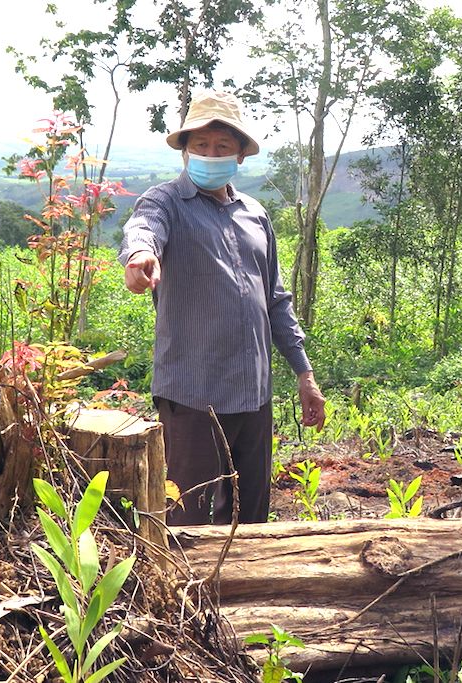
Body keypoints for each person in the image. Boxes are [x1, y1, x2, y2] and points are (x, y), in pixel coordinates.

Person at [118, 91, 326, 526]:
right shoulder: (166, 202)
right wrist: (140, 257)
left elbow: (276, 300)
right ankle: (187, 595)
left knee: (249, 514)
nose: (210, 155)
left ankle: (243, 593)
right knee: (187, 516)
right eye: (201, 146)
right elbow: (143, 228)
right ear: (186, 150)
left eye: (222, 148)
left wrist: (304, 375)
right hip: (193, 394)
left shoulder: (255, 214)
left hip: (252, 392)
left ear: (239, 156)